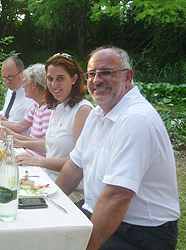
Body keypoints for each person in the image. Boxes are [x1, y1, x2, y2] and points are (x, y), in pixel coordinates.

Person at [56, 46, 180, 250]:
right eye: (92, 74)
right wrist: (52, 206)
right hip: (96, 212)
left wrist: (86, 247)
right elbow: (74, 167)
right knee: (43, 234)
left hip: (140, 233)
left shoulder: (135, 119)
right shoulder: (97, 114)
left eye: (106, 72)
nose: (97, 80)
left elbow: (117, 196)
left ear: (128, 76)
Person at [14, 53, 93, 202]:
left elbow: (79, 163)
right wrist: (21, 143)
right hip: (47, 182)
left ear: (74, 79)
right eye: (50, 79)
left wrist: (38, 161)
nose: (54, 85)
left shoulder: (83, 110)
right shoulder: (57, 107)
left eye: (60, 78)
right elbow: (51, 144)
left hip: (73, 192)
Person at [0, 63, 52, 157]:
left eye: (25, 82)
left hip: (38, 162)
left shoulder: (48, 109)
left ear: (34, 85)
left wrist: (15, 137)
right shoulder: (37, 105)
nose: (23, 86)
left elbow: (46, 144)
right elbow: (20, 125)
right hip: (29, 154)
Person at [0, 57, 34, 124]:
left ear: (22, 74)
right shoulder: (11, 90)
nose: (7, 82)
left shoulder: (30, 95)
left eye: (10, 77)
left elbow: (27, 128)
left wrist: (6, 123)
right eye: (4, 78)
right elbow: (8, 114)